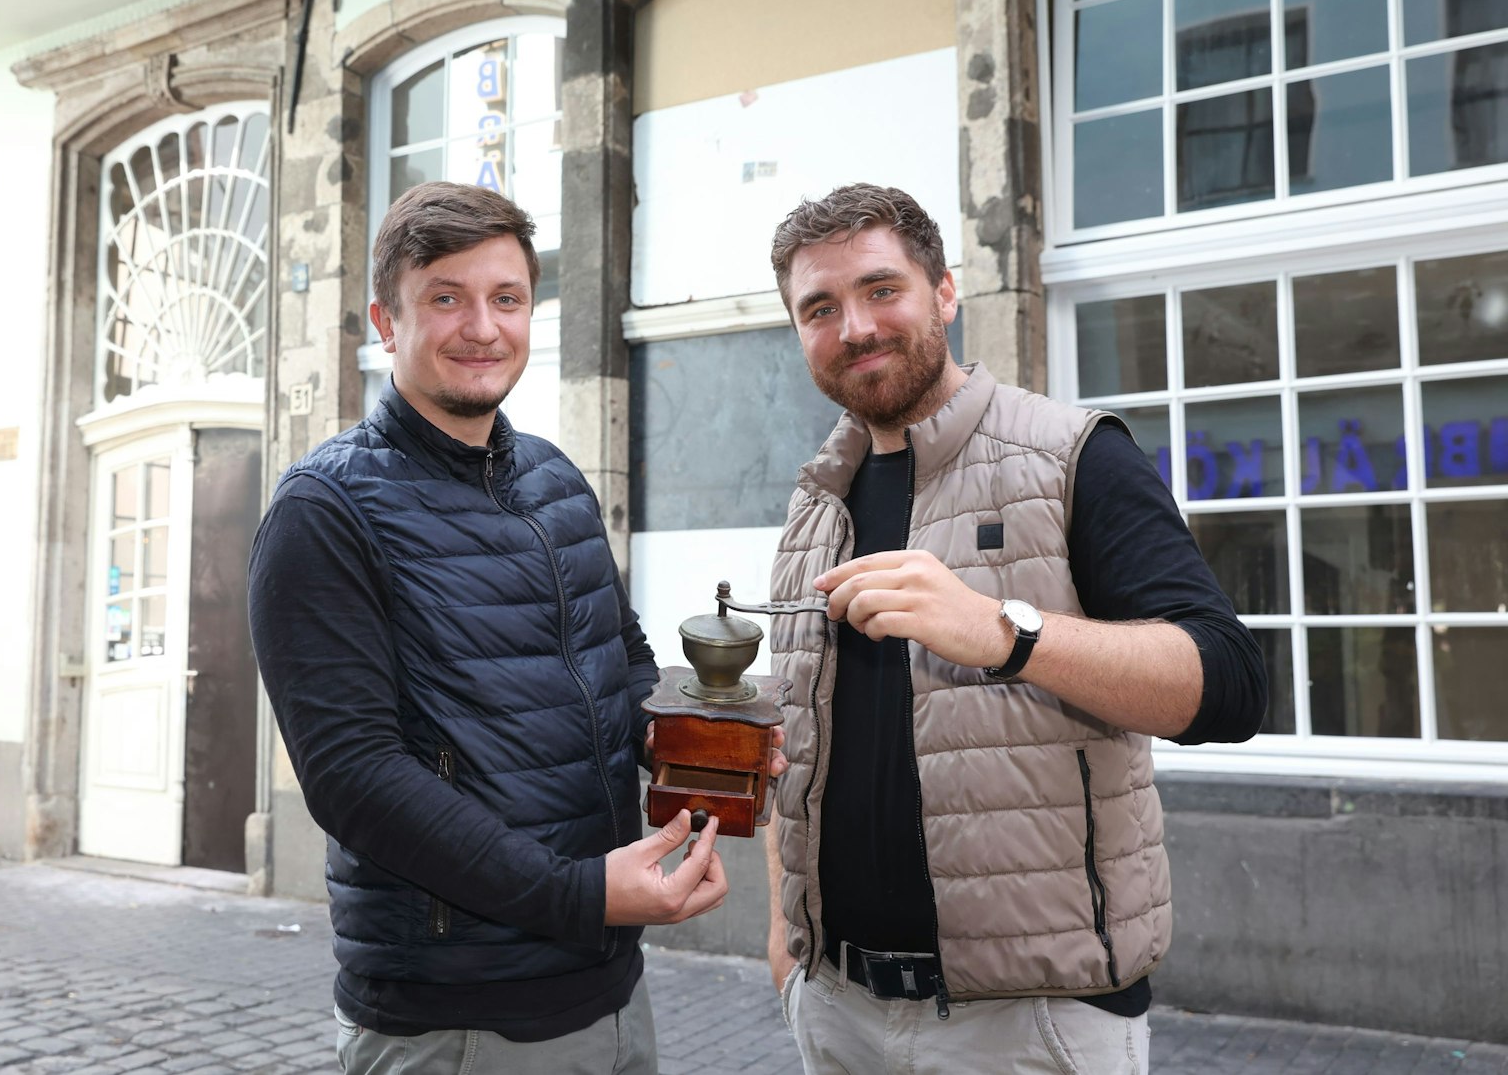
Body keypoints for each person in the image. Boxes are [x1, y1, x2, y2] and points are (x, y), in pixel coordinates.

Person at [761, 184, 1267, 1072]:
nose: (856, 327)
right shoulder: (816, 504)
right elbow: (794, 740)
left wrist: (1007, 632)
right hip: (837, 1009)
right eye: (820, 308)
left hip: (1032, 1024)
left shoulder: (1074, 455)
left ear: (946, 293)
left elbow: (1227, 682)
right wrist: (783, 940)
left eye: (883, 289)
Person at [250, 182, 736, 1074]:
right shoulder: (324, 510)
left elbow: (619, 664)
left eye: (505, 298)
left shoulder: (555, 479)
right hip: (456, 1022)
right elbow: (355, 779)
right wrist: (579, 891)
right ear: (385, 322)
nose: (483, 326)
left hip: (612, 990)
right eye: (446, 297)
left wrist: (706, 747)